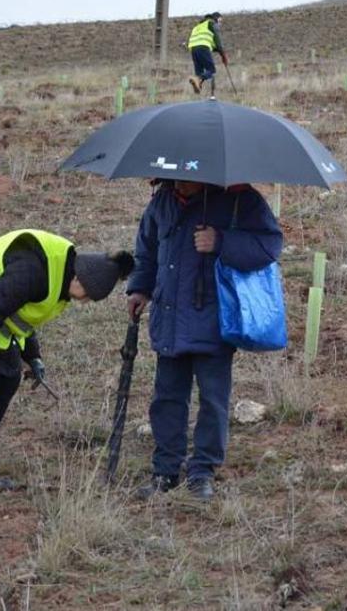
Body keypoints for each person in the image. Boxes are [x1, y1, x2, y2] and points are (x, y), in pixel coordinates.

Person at [0, 229, 132, 503]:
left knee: (9, 380)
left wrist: (33, 355)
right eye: (87, 297)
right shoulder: (32, 271)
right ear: (80, 279)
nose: (83, 303)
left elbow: (22, 316)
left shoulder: (61, 275)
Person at [127, 179, 283, 501]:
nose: (182, 182)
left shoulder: (241, 199)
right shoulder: (162, 200)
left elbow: (270, 246)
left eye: (190, 176)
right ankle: (165, 471)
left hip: (214, 322)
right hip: (169, 319)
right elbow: (147, 250)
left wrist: (221, 241)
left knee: (213, 400)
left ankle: (202, 472)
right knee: (166, 397)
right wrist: (140, 289)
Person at [188, 13, 228, 95]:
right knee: (211, 70)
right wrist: (223, 55)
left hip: (193, 49)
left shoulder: (198, 26)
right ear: (216, 18)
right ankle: (197, 80)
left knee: (199, 73)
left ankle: (198, 86)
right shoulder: (211, 23)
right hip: (203, 47)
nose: (219, 24)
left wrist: (218, 50)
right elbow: (218, 41)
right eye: (220, 21)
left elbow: (212, 45)